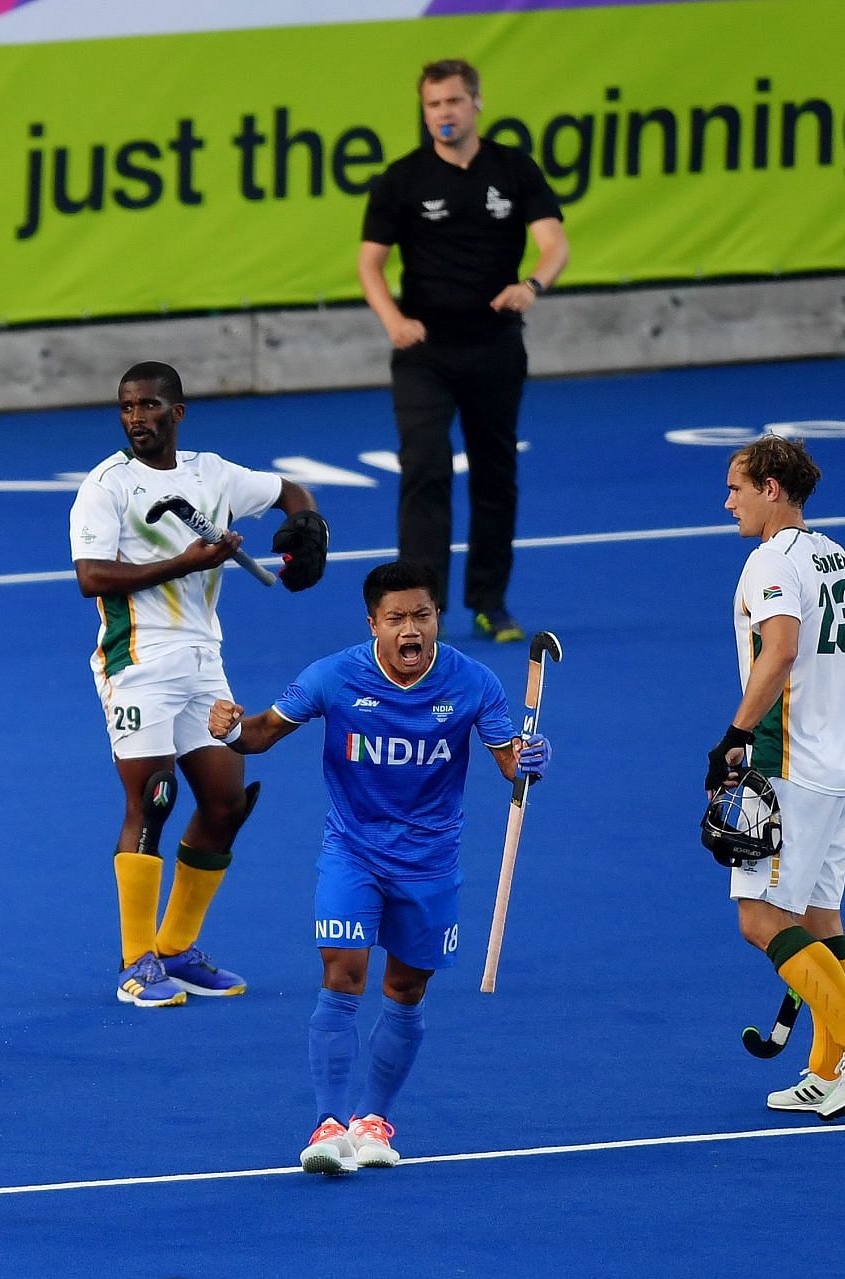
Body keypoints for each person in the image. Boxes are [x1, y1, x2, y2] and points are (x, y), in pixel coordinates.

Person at [207, 560, 548, 1172]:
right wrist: (232, 734)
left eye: (422, 615)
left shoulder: (474, 682)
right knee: (342, 974)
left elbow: (508, 759)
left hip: (431, 862)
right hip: (353, 851)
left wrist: (528, 757)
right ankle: (328, 1124)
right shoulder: (334, 676)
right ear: (374, 624)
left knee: (405, 989)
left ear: (436, 618)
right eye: (397, 618)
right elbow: (261, 734)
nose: (411, 629)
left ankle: (374, 1121)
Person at [71, 360, 329, 1007]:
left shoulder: (212, 475)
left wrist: (308, 530)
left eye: (150, 406)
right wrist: (184, 562)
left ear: (177, 412)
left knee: (224, 802)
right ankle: (137, 961)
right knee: (153, 798)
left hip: (202, 661)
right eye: (127, 407)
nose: (136, 419)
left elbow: (290, 489)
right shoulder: (108, 486)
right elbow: (93, 578)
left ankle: (177, 947)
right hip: (136, 661)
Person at [707, 436, 845, 1119]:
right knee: (820, 917)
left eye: (736, 487)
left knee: (760, 918)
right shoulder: (844, 560)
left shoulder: (771, 561)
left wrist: (735, 735)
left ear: (771, 488)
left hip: (791, 767)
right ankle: (828, 1072)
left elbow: (782, 648)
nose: (726, 500)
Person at [358, 58, 569, 643]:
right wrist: (393, 320)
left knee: (495, 473)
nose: (443, 114)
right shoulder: (403, 178)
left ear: (476, 103)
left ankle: (490, 603)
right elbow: (370, 263)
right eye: (432, 106)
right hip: (424, 351)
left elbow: (554, 244)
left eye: (452, 102)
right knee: (424, 467)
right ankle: (419, 609)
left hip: (495, 347)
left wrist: (531, 286)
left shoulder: (513, 168)